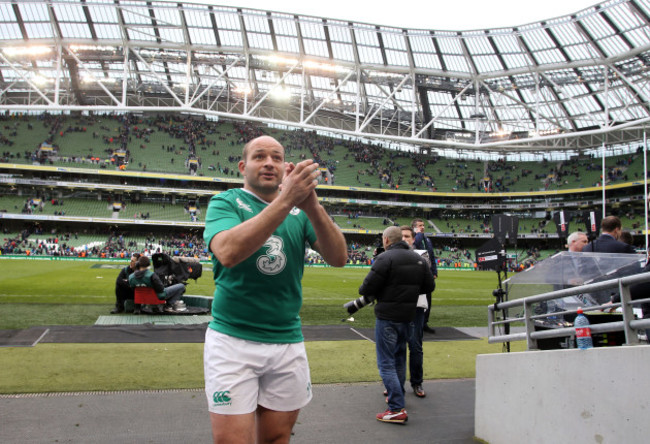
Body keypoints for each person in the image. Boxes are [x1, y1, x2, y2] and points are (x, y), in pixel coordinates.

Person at [202, 135, 347, 444]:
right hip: (232, 339)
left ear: (285, 168)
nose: (269, 162)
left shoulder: (301, 212)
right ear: (243, 166)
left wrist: (311, 205)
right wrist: (286, 200)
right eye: (259, 156)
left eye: (277, 158)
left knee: (278, 437)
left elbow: (338, 257)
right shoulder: (225, 202)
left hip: (287, 340)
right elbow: (227, 252)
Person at [359, 226, 435, 425]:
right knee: (400, 358)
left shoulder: (385, 258)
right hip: (408, 317)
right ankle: (398, 397)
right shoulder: (418, 259)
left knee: (386, 362)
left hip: (387, 317)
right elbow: (429, 287)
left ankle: (395, 407)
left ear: (386, 240)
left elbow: (365, 288)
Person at [400, 225, 429, 398]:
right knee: (397, 348)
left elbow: (425, 281)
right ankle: (395, 384)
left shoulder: (422, 255)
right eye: (401, 236)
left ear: (413, 239)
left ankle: (417, 382)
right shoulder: (391, 255)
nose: (404, 239)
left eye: (407, 236)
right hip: (398, 307)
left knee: (416, 346)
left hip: (417, 306)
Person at [411, 218, 437, 333]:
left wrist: (435, 272)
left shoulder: (427, 240)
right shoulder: (414, 239)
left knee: (428, 299)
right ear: (414, 227)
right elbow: (415, 245)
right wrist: (418, 234)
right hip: (416, 272)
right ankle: (416, 323)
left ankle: (424, 323)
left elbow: (431, 256)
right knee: (417, 299)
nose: (423, 227)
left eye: (423, 225)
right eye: (420, 225)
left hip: (428, 273)